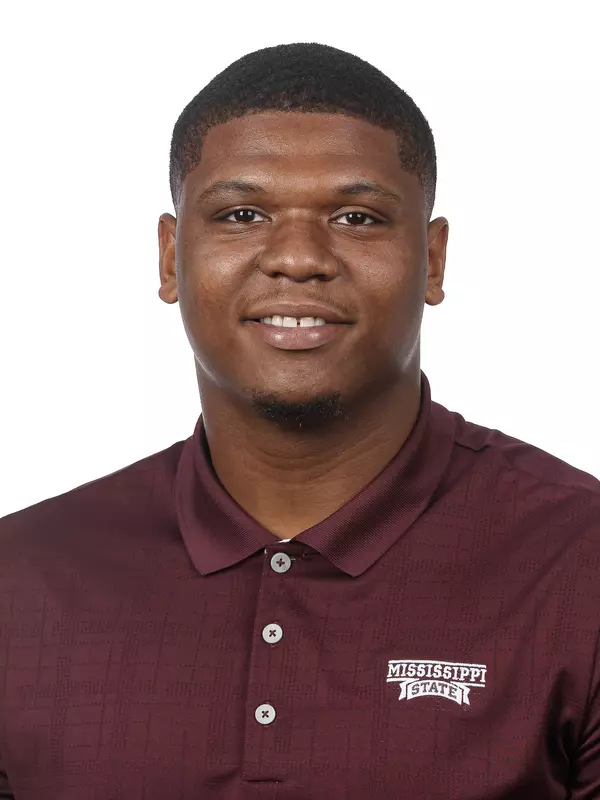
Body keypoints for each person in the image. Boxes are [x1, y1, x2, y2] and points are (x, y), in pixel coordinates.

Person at [1, 41, 599, 800]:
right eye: (242, 214)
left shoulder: (579, 564)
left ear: (435, 259)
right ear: (169, 257)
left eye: (356, 216)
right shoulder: (22, 579)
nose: (297, 258)